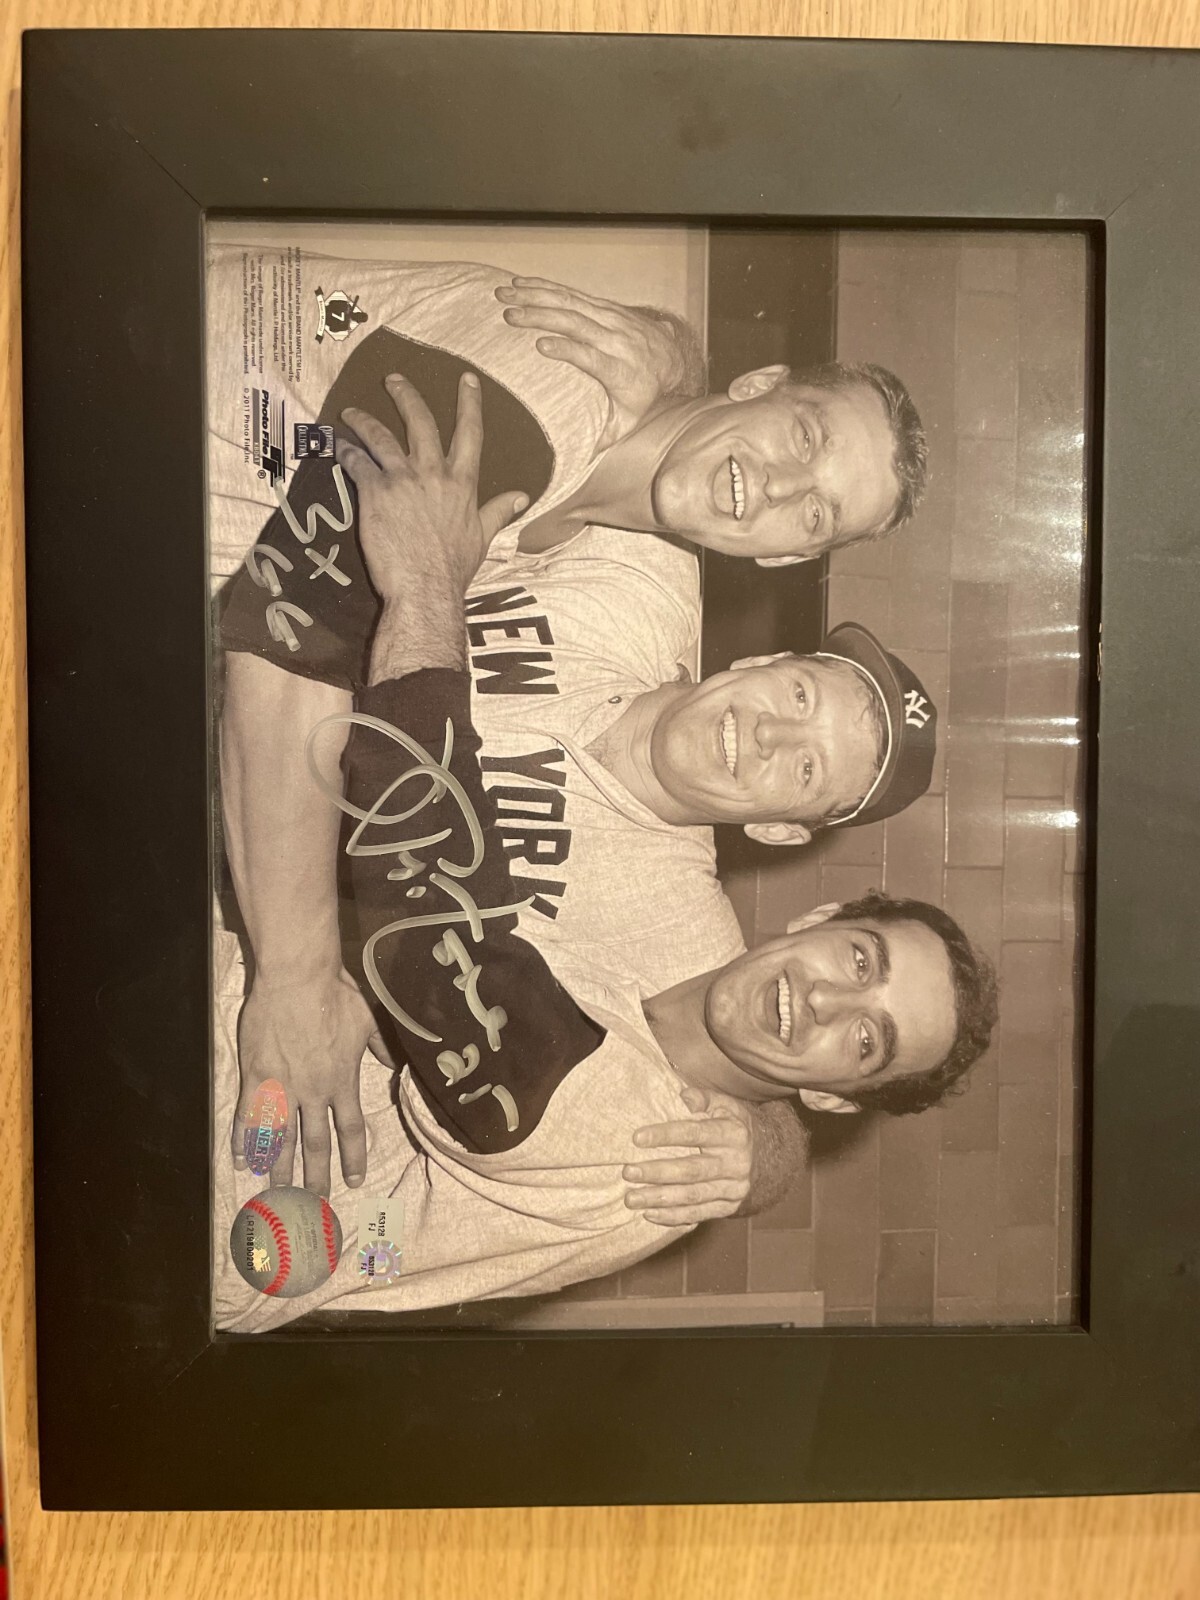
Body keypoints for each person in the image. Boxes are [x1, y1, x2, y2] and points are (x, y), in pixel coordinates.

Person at [214, 372, 995, 1335]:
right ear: (819, 918)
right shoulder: (637, 588)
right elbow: (646, 445)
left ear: (786, 835)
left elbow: (435, 953)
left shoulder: (669, 1131)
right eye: (799, 699)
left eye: (865, 1040)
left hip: (202, 1178)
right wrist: (670, 358)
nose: (767, 738)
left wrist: (424, 586)